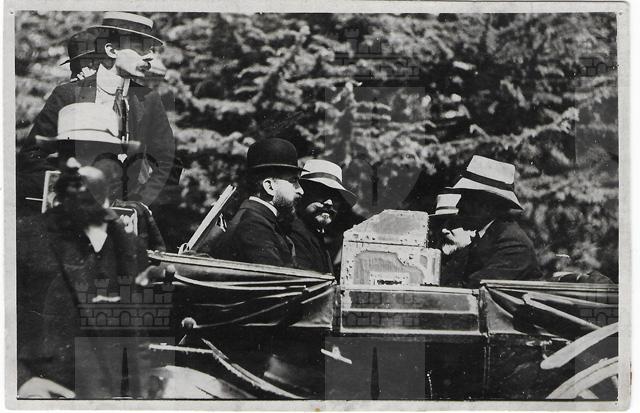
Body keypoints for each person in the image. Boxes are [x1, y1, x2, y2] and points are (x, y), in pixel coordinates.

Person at [16, 162, 154, 398]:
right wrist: (21, 381)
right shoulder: (26, 237)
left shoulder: (130, 246)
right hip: (43, 390)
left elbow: (137, 335)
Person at [19, 12, 177, 209]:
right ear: (111, 50)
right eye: (140, 47)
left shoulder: (149, 100)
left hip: (127, 215)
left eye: (151, 48)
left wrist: (140, 204)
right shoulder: (68, 94)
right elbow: (31, 157)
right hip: (73, 212)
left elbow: (168, 163)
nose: (150, 56)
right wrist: (65, 189)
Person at [210, 138, 305, 267]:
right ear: (270, 187)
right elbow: (276, 277)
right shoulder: (253, 225)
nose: (300, 190)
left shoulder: (259, 220)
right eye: (293, 181)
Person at [451, 155, 542, 287]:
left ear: (487, 206)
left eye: (466, 199)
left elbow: (473, 287)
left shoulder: (514, 244)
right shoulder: (487, 236)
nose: (458, 205)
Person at [289, 159, 357, 275]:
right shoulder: (293, 234)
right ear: (303, 194)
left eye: (335, 197)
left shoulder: (317, 236)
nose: (329, 203)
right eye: (322, 193)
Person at [428, 193, 475, 287]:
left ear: (471, 229)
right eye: (439, 224)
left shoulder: (478, 264)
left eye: (453, 224)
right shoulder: (433, 264)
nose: (443, 230)